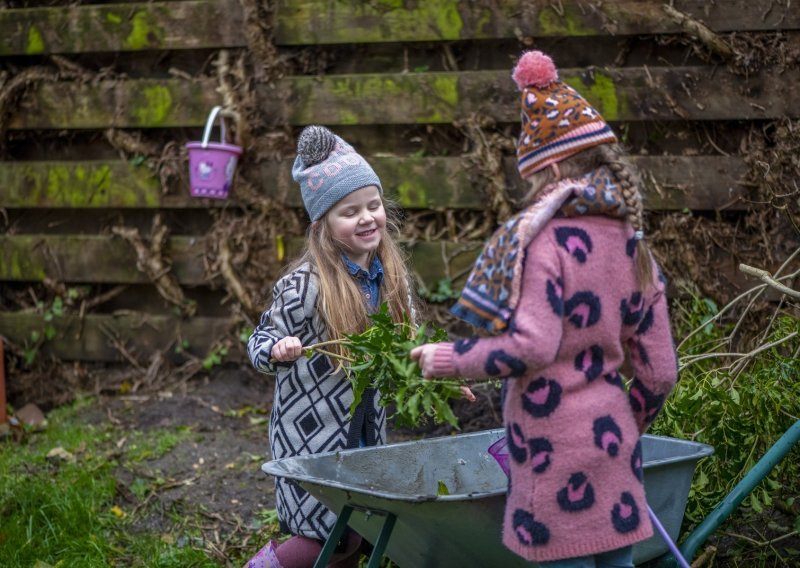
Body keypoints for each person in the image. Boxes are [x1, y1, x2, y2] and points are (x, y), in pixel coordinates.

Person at [411, 51, 679, 568]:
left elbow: (532, 346)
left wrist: (447, 358)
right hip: (614, 448)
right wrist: (622, 424)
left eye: (532, 179)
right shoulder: (633, 243)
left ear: (551, 167)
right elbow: (662, 372)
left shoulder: (546, 243)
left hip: (551, 454)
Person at [245, 125, 417, 568]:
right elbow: (258, 340)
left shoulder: (390, 276)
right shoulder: (304, 284)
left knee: (357, 535)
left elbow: (406, 344)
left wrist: (436, 375)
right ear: (323, 224)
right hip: (312, 436)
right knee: (325, 536)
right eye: (350, 211)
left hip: (363, 432)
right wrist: (277, 347)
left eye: (373, 206)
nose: (367, 218)